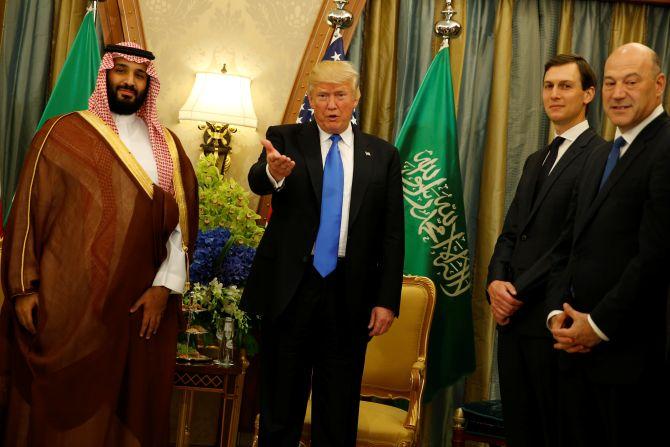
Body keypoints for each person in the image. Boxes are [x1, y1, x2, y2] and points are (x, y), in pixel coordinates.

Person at [0, 42, 198, 446]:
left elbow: (180, 229)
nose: (129, 81)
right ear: (104, 74)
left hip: (138, 309)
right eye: (120, 71)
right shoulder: (62, 132)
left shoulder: (170, 149)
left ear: (149, 84)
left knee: (125, 409)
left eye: (139, 75)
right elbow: (29, 215)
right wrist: (23, 288)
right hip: (68, 304)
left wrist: (163, 289)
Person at [241, 60, 404, 446]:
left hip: (349, 296)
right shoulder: (285, 138)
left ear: (356, 98)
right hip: (290, 292)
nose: (332, 105)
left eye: (340, 95)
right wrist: (274, 173)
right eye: (323, 96)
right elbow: (256, 179)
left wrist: (387, 300)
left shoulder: (382, 155)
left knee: (338, 411)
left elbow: (392, 233)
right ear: (311, 99)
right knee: (280, 408)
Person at [546, 43, 670, 447]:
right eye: (612, 82)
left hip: (629, 358)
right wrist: (556, 315)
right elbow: (571, 242)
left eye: (631, 83)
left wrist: (596, 326)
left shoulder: (665, 148)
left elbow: (655, 257)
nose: (618, 94)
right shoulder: (602, 154)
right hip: (574, 352)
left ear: (659, 86)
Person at [487, 54, 604, 447]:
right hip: (512, 323)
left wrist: (516, 292)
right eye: (549, 85)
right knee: (519, 430)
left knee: (554, 432)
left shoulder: (600, 156)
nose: (554, 94)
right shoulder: (538, 159)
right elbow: (511, 231)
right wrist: (495, 282)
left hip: (551, 318)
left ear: (588, 94)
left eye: (566, 86)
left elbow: (570, 242)